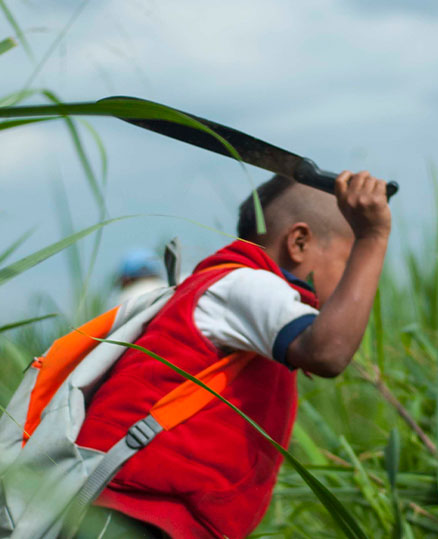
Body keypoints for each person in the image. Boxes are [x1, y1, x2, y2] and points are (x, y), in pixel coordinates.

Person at [73, 170, 392, 538]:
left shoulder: (250, 306)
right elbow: (328, 353)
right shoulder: (242, 284)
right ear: (299, 242)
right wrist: (373, 236)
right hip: (132, 517)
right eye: (349, 258)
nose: (361, 277)